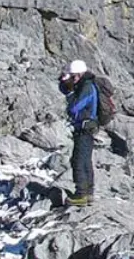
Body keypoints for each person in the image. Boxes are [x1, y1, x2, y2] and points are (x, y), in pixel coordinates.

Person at [59, 59, 98, 206]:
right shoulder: (84, 84)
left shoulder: (87, 87)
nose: (73, 79)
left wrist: (70, 95)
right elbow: (67, 91)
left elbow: (75, 107)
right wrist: (65, 84)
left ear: (81, 74)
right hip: (86, 128)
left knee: (78, 161)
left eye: (74, 76)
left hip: (85, 129)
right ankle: (88, 192)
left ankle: (81, 194)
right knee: (85, 160)